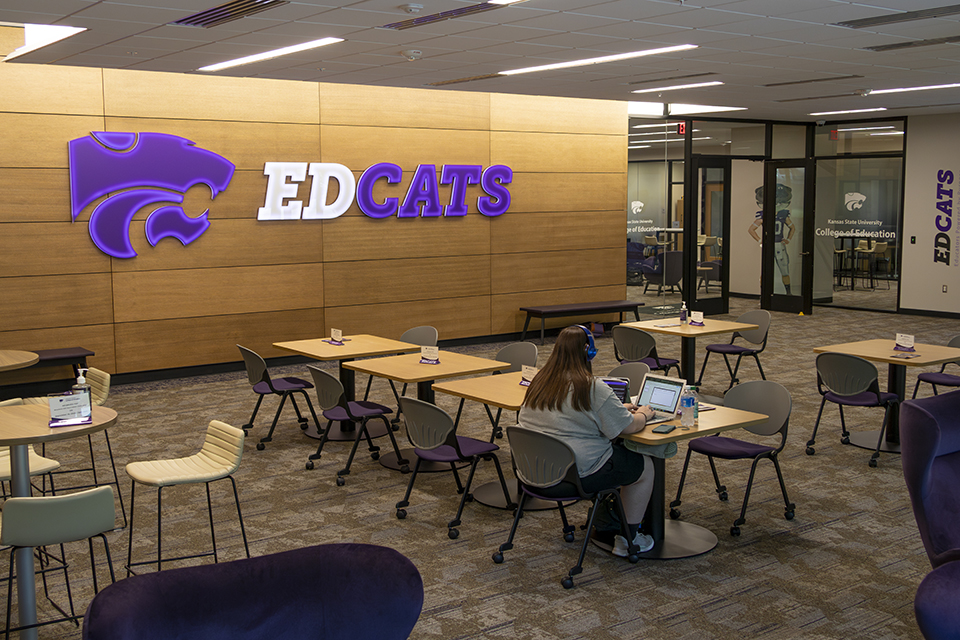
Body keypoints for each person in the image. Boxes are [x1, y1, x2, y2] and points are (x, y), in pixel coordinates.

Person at [518, 325, 657, 556]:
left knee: (617, 455)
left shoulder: (540, 382)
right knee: (644, 467)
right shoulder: (591, 387)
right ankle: (628, 539)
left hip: (535, 471)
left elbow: (569, 414)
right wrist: (643, 413)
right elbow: (631, 426)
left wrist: (615, 411)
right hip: (575, 474)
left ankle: (609, 522)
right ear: (588, 352)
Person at [748, 184, 796, 294]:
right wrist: (760, 240)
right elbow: (751, 229)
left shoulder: (783, 214)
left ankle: (788, 293)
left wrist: (788, 239)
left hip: (779, 244)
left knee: (784, 270)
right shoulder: (763, 215)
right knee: (765, 271)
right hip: (769, 244)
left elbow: (792, 228)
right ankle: (764, 293)